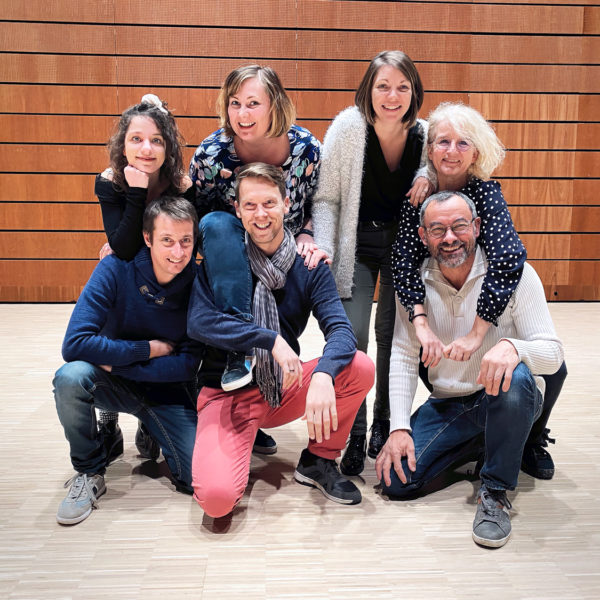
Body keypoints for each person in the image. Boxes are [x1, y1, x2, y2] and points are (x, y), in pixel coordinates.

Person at [377, 190, 564, 547]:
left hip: (506, 395)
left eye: (459, 226)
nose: (449, 238)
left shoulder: (515, 276)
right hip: (448, 402)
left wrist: (513, 347)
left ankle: (494, 491)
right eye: (437, 229)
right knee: (396, 483)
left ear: (477, 227)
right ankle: (489, 443)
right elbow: (402, 353)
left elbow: (554, 354)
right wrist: (399, 427)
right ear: (423, 236)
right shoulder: (414, 284)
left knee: (516, 375)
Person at [187, 163, 375, 517]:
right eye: (251, 205)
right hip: (224, 394)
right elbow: (199, 324)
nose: (261, 214)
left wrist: (323, 375)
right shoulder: (223, 258)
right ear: (238, 210)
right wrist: (268, 338)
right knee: (216, 501)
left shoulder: (308, 264)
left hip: (278, 387)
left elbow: (341, 331)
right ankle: (234, 442)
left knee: (359, 367)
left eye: (270, 203)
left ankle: (318, 461)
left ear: (287, 204)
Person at [391, 102, 566, 479]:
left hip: (483, 303)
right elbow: (403, 263)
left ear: (476, 152)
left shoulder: (485, 192)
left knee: (547, 363)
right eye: (442, 142)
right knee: (399, 480)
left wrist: (477, 334)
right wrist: (420, 324)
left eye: (462, 143)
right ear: (430, 149)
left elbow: (507, 260)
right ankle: (476, 430)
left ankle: (528, 438)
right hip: (440, 307)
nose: (451, 151)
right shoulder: (419, 195)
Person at [189, 65, 323, 455]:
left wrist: (310, 233)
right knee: (217, 224)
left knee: (286, 332)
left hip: (283, 253)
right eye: (234, 104)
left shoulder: (306, 149)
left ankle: (256, 411)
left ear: (274, 106)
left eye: (253, 103)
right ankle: (238, 346)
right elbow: (194, 216)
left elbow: (322, 203)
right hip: (232, 257)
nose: (242, 114)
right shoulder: (211, 155)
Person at [312, 51, 433, 476]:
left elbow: (445, 171)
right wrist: (324, 246)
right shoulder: (348, 128)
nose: (392, 95)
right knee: (354, 336)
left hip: (402, 248)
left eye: (403, 86)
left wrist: (428, 176)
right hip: (356, 245)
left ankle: (384, 421)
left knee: (393, 336)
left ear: (414, 92)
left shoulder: (426, 134)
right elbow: (325, 197)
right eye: (383, 85)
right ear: (368, 89)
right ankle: (355, 430)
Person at [53, 197, 202, 525]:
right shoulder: (115, 268)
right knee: (70, 377)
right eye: (167, 240)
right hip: (117, 383)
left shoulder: (200, 283)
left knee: (198, 481)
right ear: (147, 238)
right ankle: (90, 470)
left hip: (166, 390)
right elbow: (75, 343)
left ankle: (150, 427)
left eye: (185, 241)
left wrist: (118, 363)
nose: (177, 253)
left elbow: (188, 365)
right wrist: (145, 350)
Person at [95, 94, 193, 464]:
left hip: (167, 270)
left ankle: (152, 413)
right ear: (122, 145)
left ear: (168, 146)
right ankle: (108, 418)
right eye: (135, 139)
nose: (146, 148)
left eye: (156, 140)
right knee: (110, 275)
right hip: (130, 265)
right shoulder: (110, 181)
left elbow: (184, 242)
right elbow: (122, 246)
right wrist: (136, 190)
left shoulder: (181, 184)